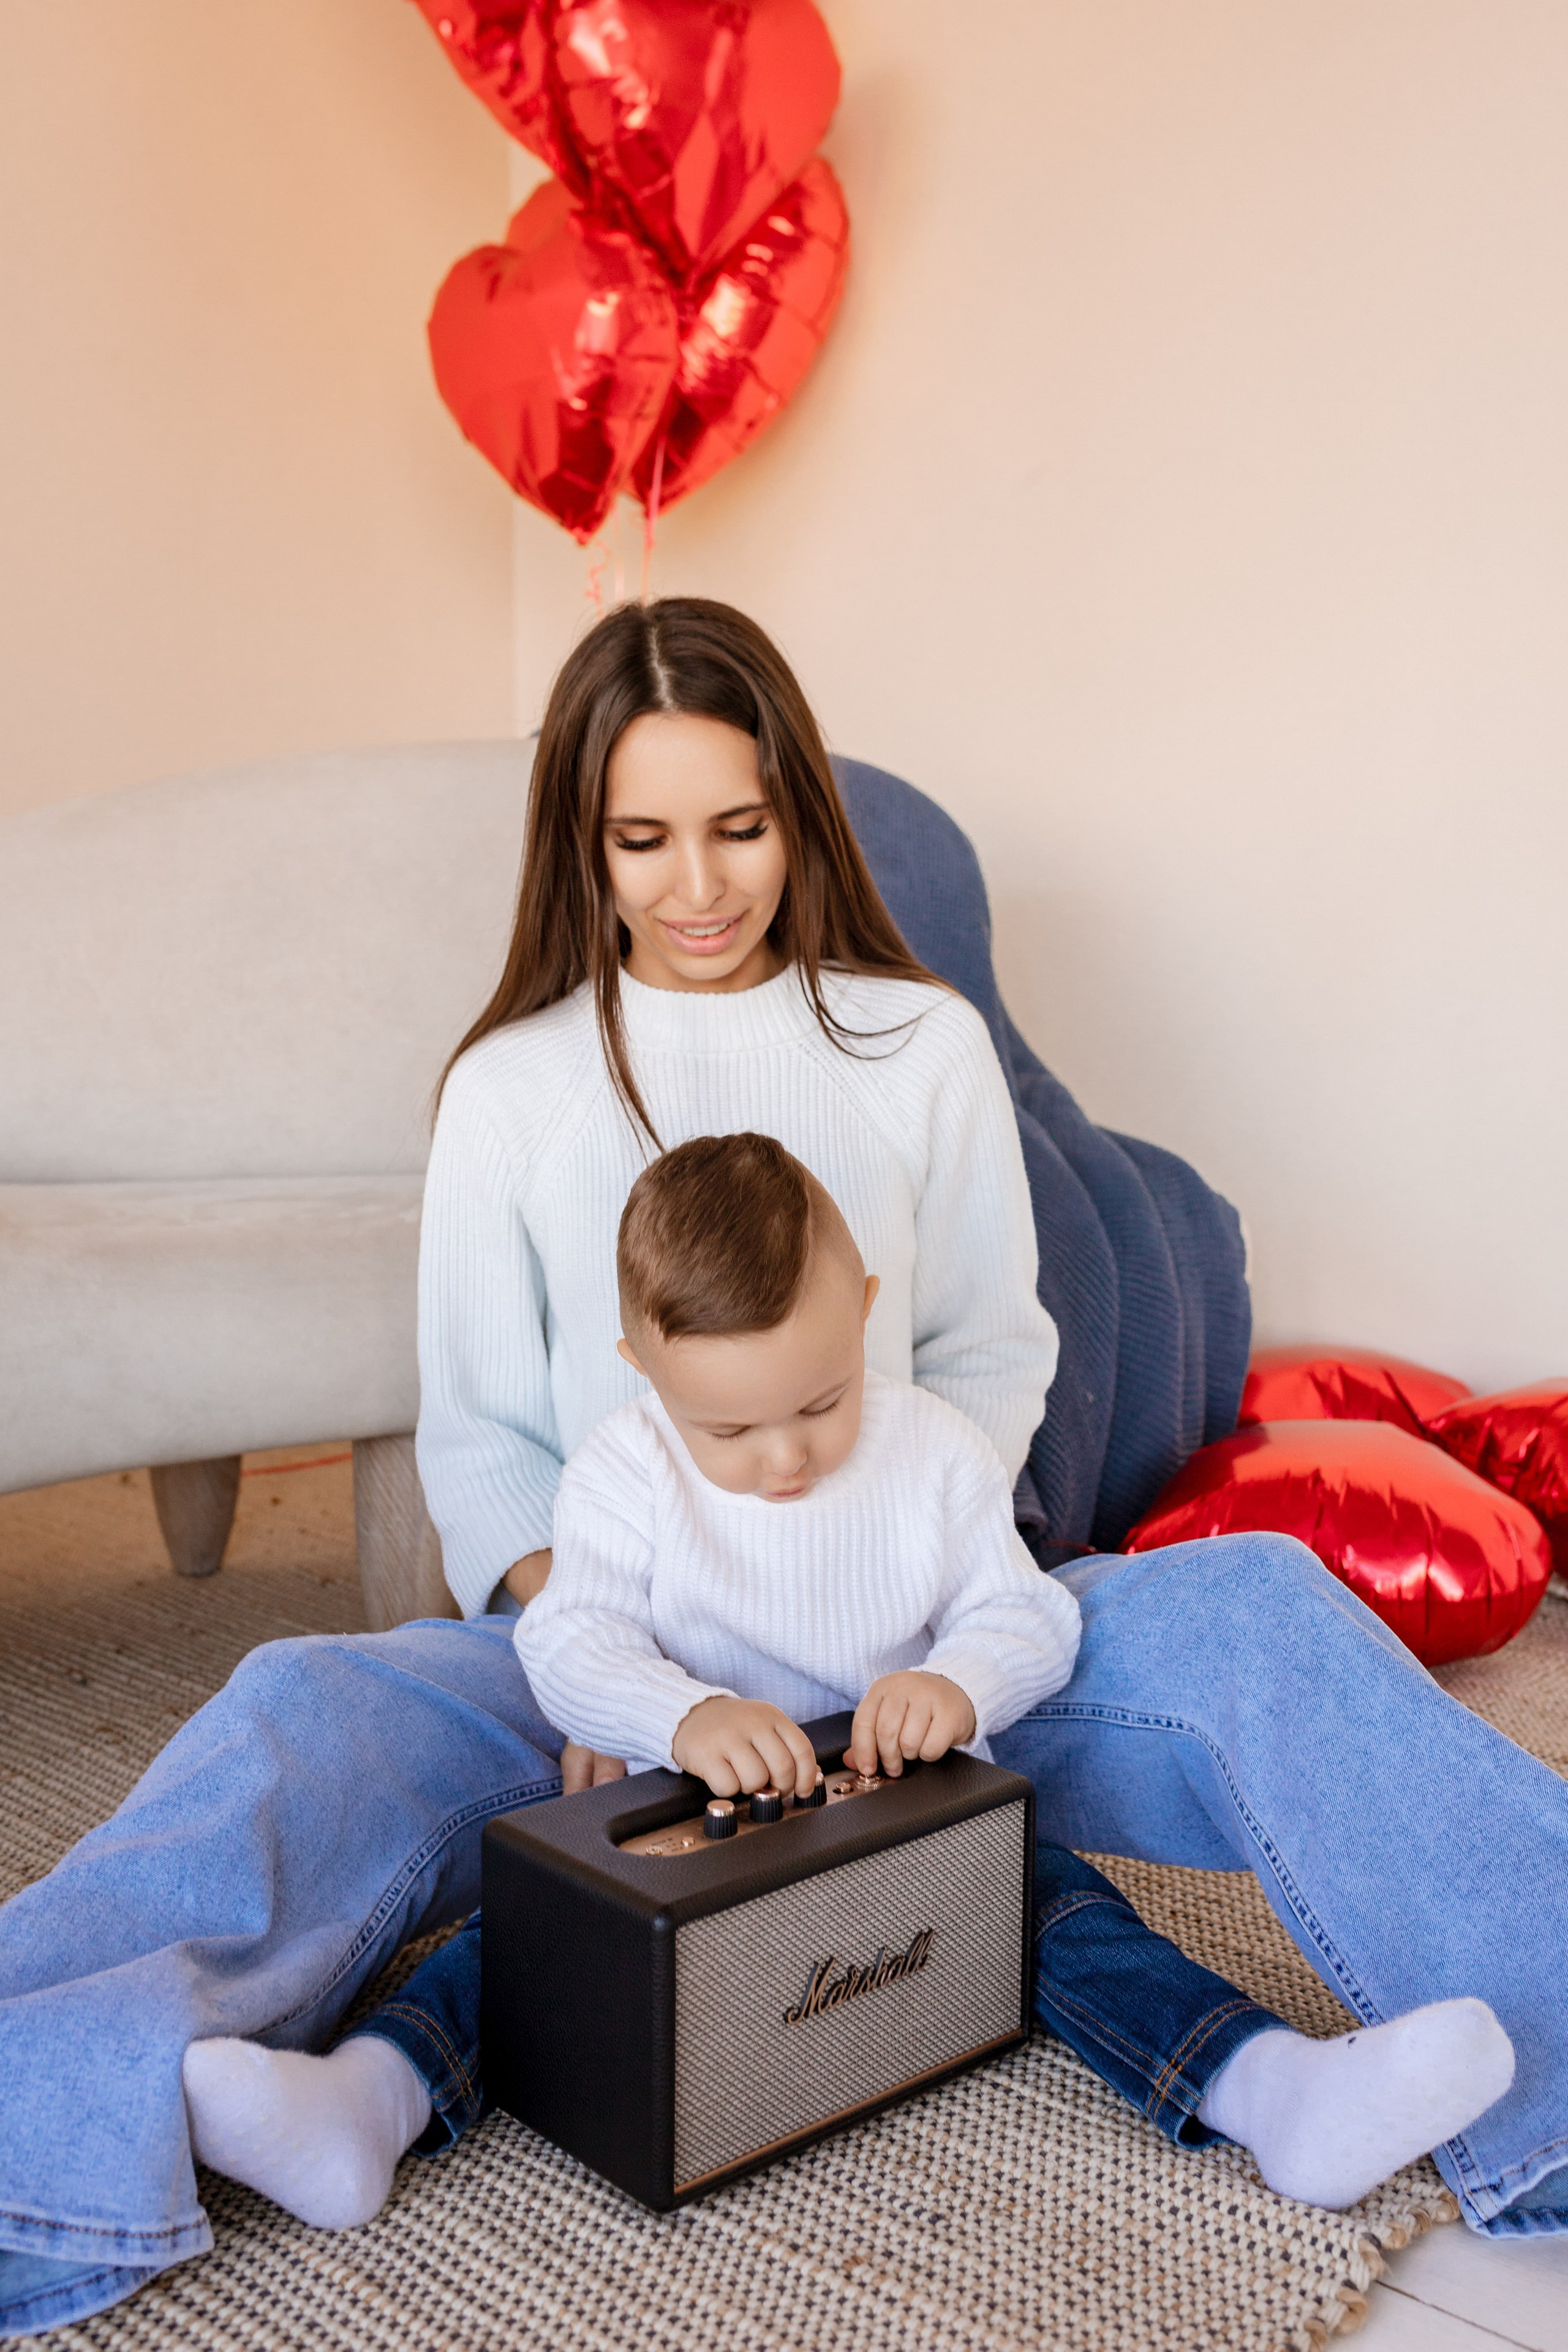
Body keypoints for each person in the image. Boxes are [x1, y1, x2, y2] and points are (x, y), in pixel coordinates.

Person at [2, 600, 1566, 2338]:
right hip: (612, 1641)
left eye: (738, 827)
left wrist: (911, 1591)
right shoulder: (509, 1090)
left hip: (926, 1637)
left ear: (798, 814)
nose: (698, 887)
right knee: (299, 1706)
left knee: (1264, 1611)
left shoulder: (916, 1045)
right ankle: (33, 2150)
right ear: (581, 849)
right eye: (644, 839)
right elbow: (479, 1433)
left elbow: (992, 1350)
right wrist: (616, 1665)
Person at [180, 1137, 1515, 2231]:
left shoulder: (930, 1452)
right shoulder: (622, 1472)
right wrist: (676, 1717)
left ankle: (1265, 2085)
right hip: (686, 1816)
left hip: (900, 1796)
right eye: (730, 1429)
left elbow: (1024, 1612)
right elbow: (568, 1641)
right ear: (644, 1374)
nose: (782, 1459)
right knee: (531, 1937)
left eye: (819, 1403)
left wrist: (957, 1681)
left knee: (1050, 1910)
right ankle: (369, 2097)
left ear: (865, 1311)